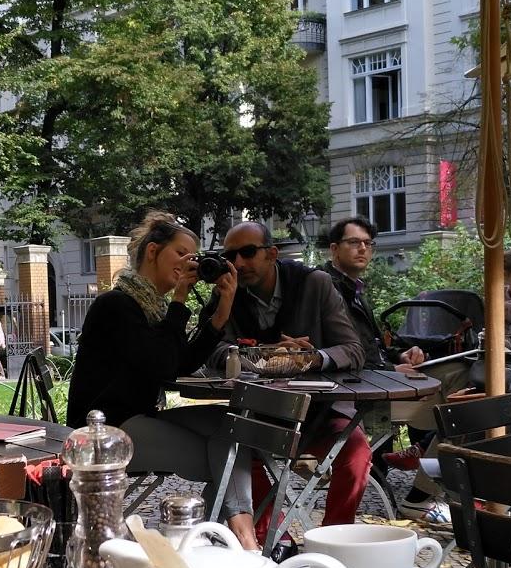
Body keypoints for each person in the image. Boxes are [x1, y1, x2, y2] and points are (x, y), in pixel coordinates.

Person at [67, 210, 258, 550]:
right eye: (181, 253)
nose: (190, 262)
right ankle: (240, 542)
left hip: (139, 418)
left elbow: (182, 361)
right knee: (227, 457)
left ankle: (227, 541)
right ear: (153, 252)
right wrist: (180, 300)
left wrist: (221, 313)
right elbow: (163, 365)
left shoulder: (151, 308)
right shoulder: (116, 305)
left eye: (193, 256)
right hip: (107, 431)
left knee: (231, 425)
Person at [202, 220, 369, 534]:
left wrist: (312, 358)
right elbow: (210, 349)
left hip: (319, 411)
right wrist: (257, 355)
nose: (238, 263)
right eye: (230, 256)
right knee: (236, 454)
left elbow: (353, 349)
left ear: (272, 253)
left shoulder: (314, 283)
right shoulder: (227, 291)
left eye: (248, 252)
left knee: (356, 454)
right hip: (257, 414)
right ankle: (274, 540)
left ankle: (335, 539)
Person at [322, 215, 469, 526]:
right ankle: (421, 490)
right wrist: (391, 368)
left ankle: (425, 449)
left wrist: (401, 353)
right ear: (334, 249)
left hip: (378, 377)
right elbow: (346, 351)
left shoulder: (351, 287)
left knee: (465, 382)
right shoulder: (329, 288)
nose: (363, 249)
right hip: (363, 388)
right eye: (354, 242)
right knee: (469, 395)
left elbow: (369, 344)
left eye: (368, 243)